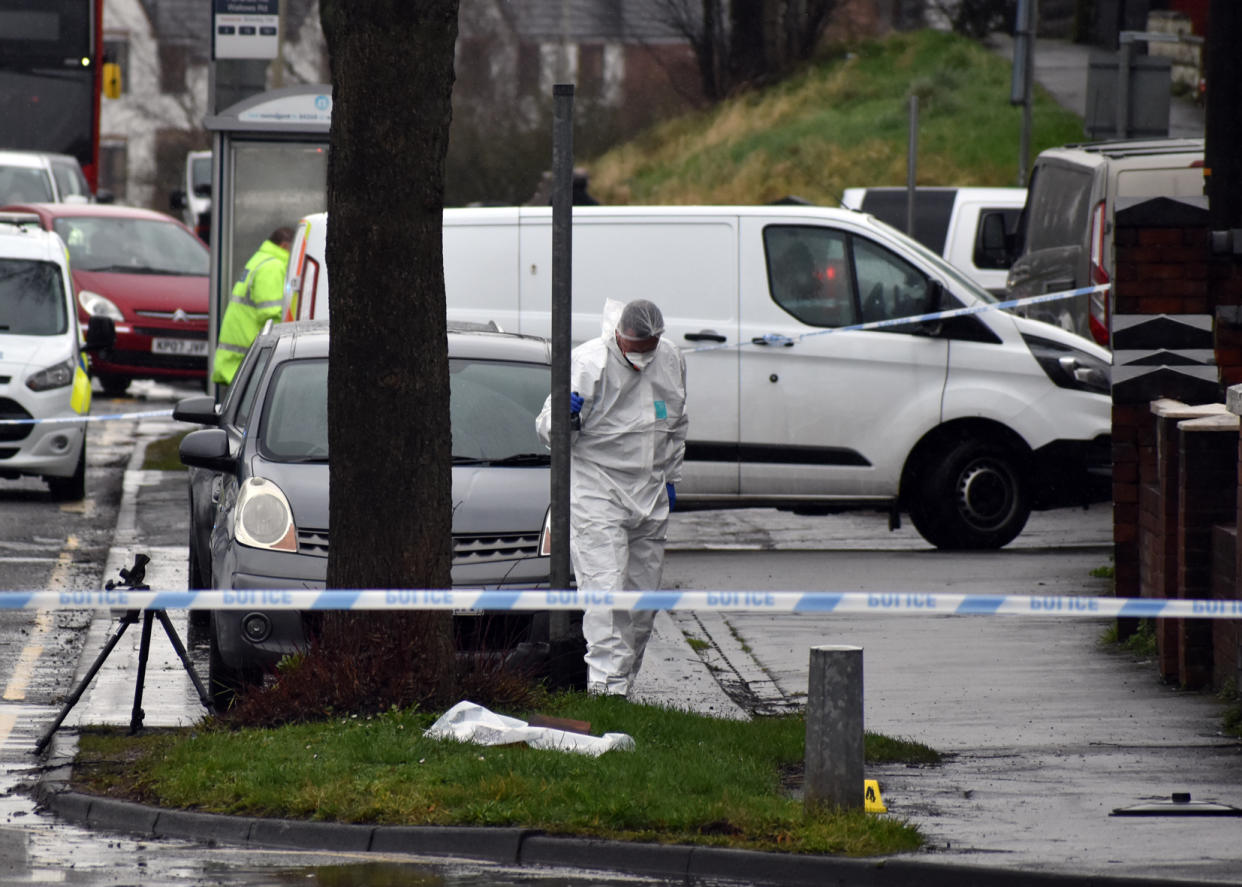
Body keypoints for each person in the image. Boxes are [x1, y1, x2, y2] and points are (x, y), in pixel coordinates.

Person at [536, 298, 688, 697]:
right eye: (637, 348)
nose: (643, 357)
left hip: (649, 491)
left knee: (642, 603)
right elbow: (549, 433)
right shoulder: (588, 364)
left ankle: (624, 687)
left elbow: (674, 422)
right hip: (598, 493)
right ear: (619, 336)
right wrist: (562, 418)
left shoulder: (669, 359)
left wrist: (671, 476)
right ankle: (606, 690)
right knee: (605, 596)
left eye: (650, 347)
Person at [212, 226, 294, 388]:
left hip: (237, 359)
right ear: (285, 246)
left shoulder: (260, 259)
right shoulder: (273, 266)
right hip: (248, 361)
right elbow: (271, 315)